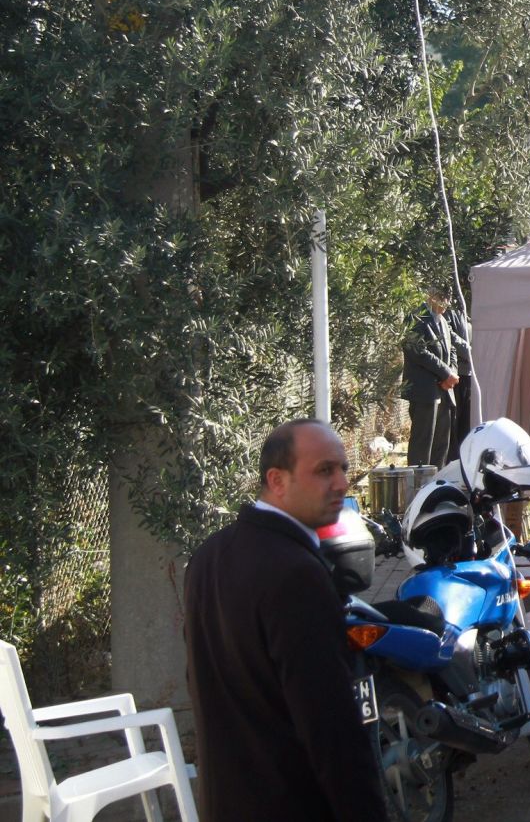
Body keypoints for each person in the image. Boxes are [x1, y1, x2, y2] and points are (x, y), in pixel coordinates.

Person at [183, 420, 387, 822]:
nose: (342, 483)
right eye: (324, 470)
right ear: (276, 480)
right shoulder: (295, 573)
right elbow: (330, 725)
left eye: (344, 468)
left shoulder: (208, 556)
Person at [403, 287, 458, 467]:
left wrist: (452, 373)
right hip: (425, 391)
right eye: (442, 297)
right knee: (423, 441)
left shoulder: (443, 321)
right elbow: (416, 350)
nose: (446, 303)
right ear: (431, 295)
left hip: (444, 391)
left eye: (448, 298)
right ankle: (418, 485)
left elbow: (452, 349)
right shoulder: (416, 318)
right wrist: (445, 372)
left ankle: (438, 480)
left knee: (441, 441)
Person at [445, 301, 474, 463]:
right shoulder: (449, 312)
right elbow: (450, 336)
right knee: (455, 422)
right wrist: (471, 351)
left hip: (469, 372)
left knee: (465, 422)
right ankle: (454, 460)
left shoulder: (464, 310)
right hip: (458, 374)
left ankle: (464, 460)